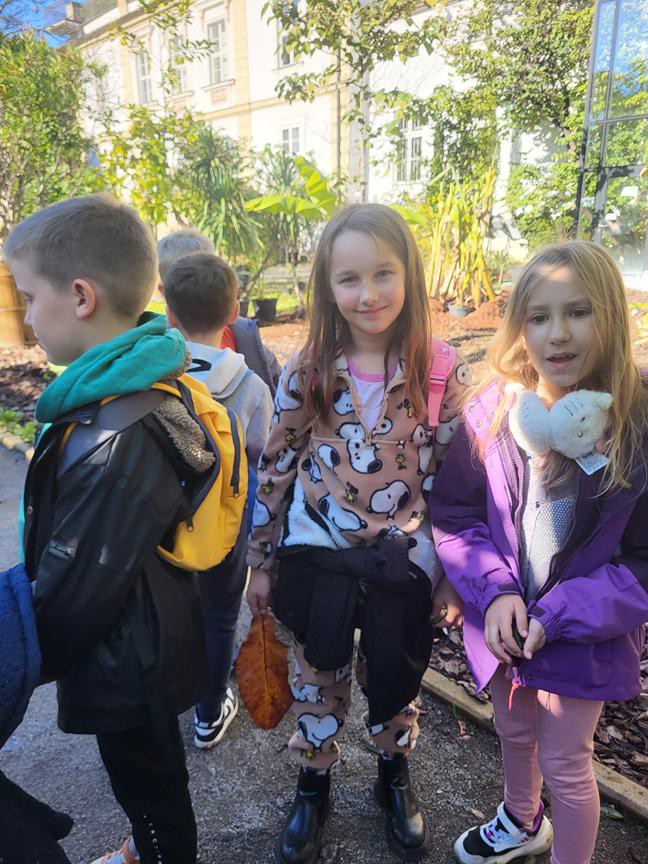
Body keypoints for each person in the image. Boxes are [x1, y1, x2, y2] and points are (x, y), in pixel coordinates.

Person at [246, 203, 470, 864]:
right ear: (327, 286)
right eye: (349, 279)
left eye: (382, 274)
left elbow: (457, 484)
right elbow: (276, 466)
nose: (367, 293)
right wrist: (261, 561)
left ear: (409, 275)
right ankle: (312, 783)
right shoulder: (309, 368)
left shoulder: (440, 370)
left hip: (403, 559)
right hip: (321, 554)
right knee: (317, 673)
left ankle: (392, 775)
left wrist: (453, 574)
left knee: (395, 673)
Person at [4, 194, 212, 864]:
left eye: (29, 297)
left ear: (81, 296)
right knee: (148, 779)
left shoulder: (116, 435)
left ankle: (158, 851)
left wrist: (19, 652)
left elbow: (77, 592)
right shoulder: (116, 393)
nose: (26, 317)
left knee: (151, 789)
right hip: (139, 637)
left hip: (129, 659)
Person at [428, 240, 648, 864]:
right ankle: (522, 821)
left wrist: (560, 615)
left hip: (582, 638)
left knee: (568, 764)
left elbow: (642, 563)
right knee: (513, 730)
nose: (559, 333)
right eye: (540, 316)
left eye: (579, 312)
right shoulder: (491, 416)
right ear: (519, 329)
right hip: (502, 625)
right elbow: (458, 516)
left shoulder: (636, 429)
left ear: (611, 317)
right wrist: (494, 592)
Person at [163, 251, 273, 749]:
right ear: (234, 313)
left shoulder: (158, 381)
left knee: (169, 610)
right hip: (229, 525)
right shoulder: (250, 387)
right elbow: (262, 458)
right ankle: (209, 712)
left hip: (167, 522)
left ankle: (167, 699)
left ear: (169, 314)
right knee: (220, 615)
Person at [157, 228, 281, 394]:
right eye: (183, 282)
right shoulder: (155, 353)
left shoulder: (245, 337)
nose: (198, 290)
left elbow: (276, 380)